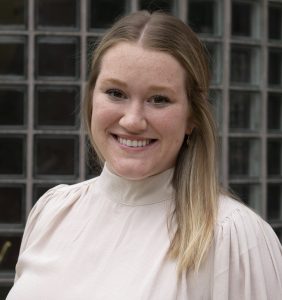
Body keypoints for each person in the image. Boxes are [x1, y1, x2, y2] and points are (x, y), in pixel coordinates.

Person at [7, 10, 282, 300]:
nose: (133, 121)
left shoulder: (233, 236)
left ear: (192, 117)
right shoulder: (53, 212)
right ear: (91, 100)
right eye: (115, 93)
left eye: (159, 99)